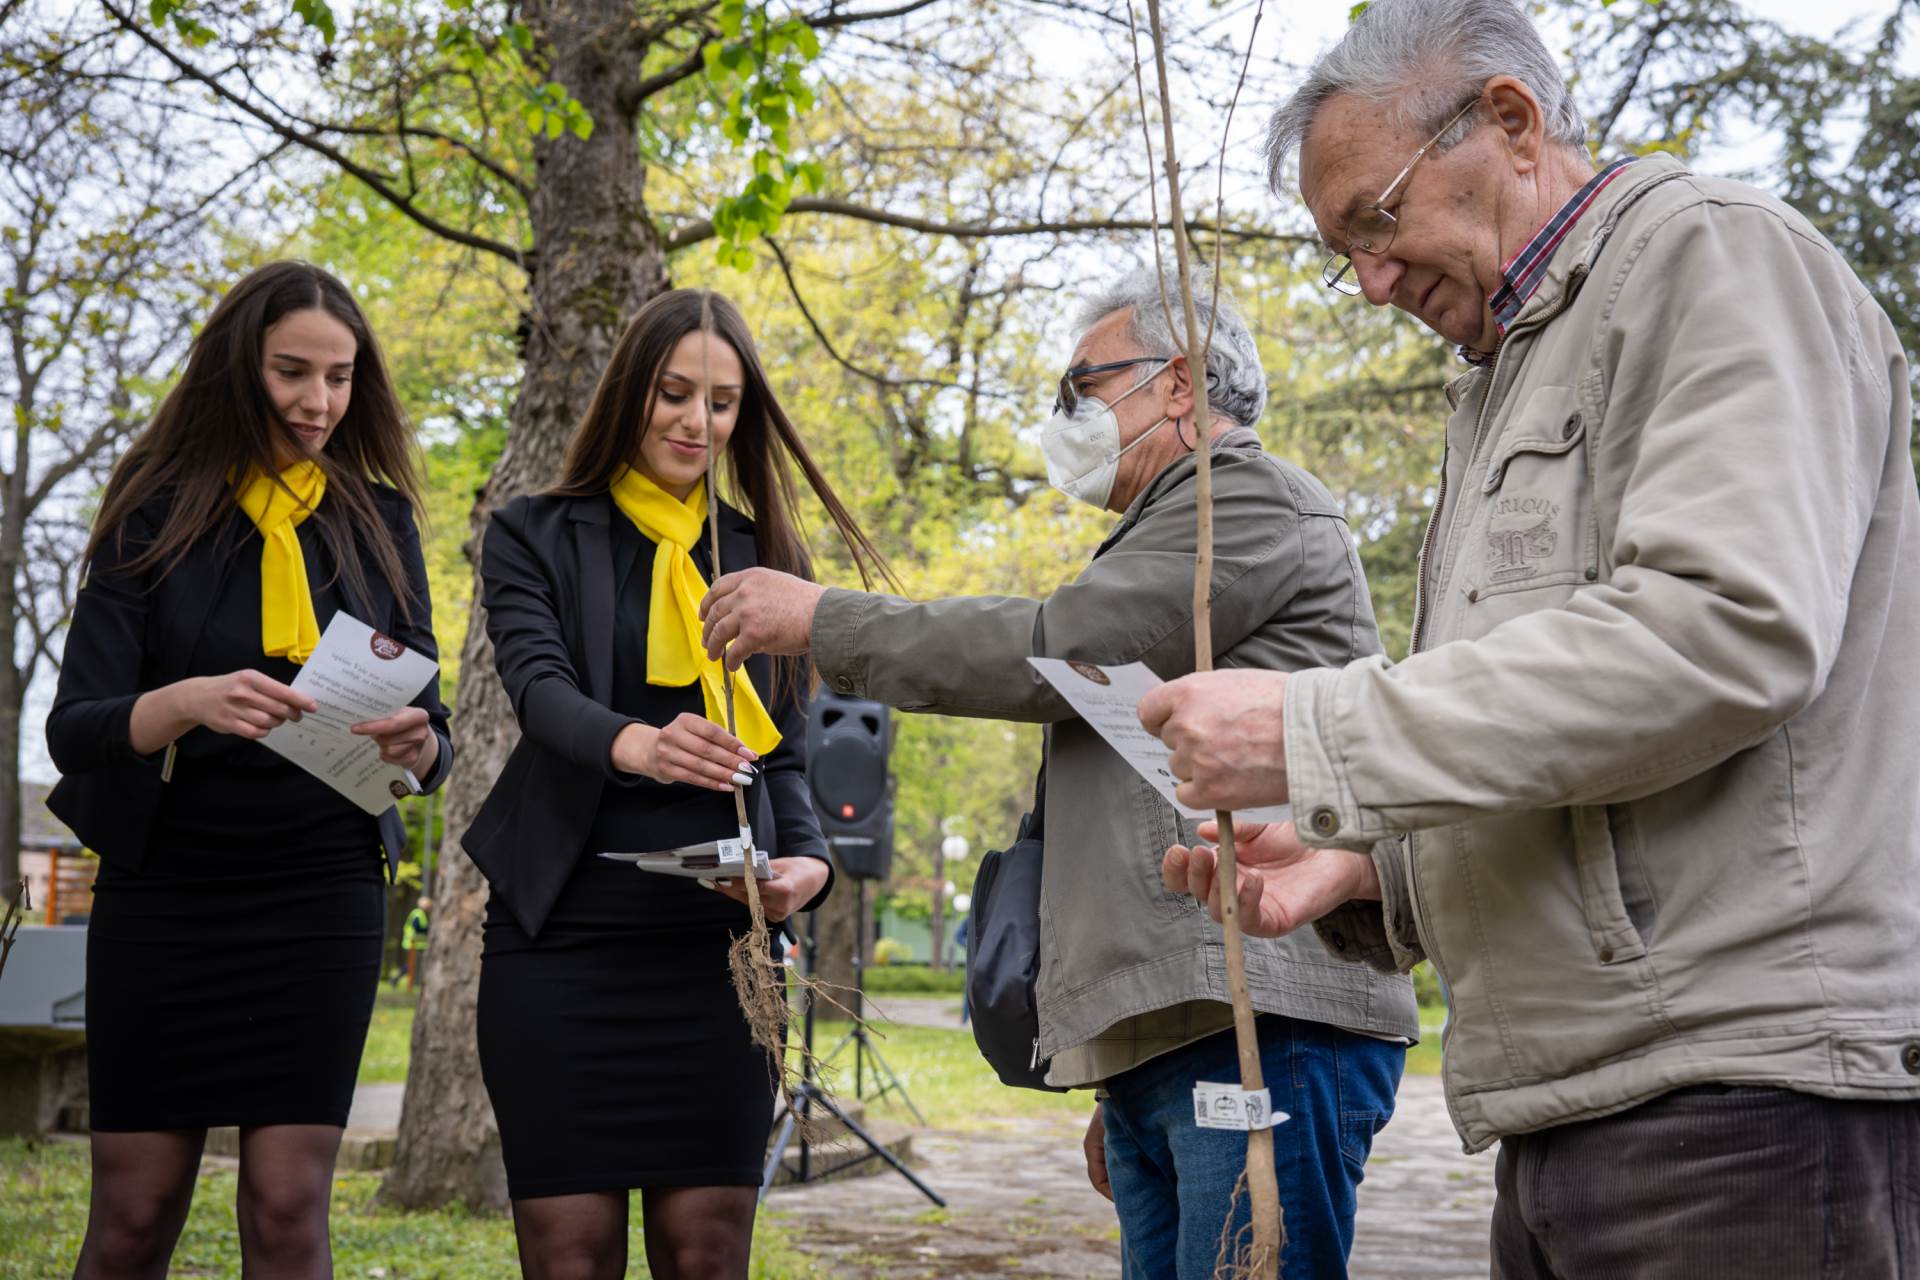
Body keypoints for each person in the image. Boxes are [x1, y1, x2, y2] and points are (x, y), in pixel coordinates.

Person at [1144, 1, 1920, 1274]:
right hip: (1580, 1108)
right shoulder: (1506, 377)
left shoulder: (1712, 261)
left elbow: (1724, 633)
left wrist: (1313, 727)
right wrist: (1366, 866)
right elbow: (1563, 735)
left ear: (1511, 121)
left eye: (1378, 220)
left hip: (1745, 1102)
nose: (1374, 281)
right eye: (1345, 253)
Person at [699, 265, 1418, 1279]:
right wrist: (1113, 1065)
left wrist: (826, 619)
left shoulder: (1247, 500)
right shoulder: (1161, 532)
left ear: (1178, 381)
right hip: (1176, 1029)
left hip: (1267, 1017)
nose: (1065, 413)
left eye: (1083, 383)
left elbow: (1063, 644)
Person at [462, 289, 890, 1280]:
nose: (699, 422)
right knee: (570, 1256)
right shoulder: (533, 531)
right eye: (676, 392)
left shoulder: (761, 555)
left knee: (707, 1255)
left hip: (718, 960)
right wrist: (645, 745)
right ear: (632, 392)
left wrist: (805, 872)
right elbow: (539, 691)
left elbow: (782, 754)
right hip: (559, 941)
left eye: (725, 402)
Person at [47, 261, 453, 1280]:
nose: (319, 402)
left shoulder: (382, 519)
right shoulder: (151, 509)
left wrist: (422, 743)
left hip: (320, 889)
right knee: (133, 1218)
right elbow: (76, 726)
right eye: (292, 372)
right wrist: (187, 701)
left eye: (340, 376)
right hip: (167, 888)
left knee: (285, 1211)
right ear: (239, 368)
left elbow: (431, 729)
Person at [400, 895, 430, 990]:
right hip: (412, 943)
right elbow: (416, 929)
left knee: (412, 965)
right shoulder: (418, 914)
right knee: (411, 965)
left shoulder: (421, 914)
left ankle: (397, 979)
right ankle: (396, 979)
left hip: (417, 944)